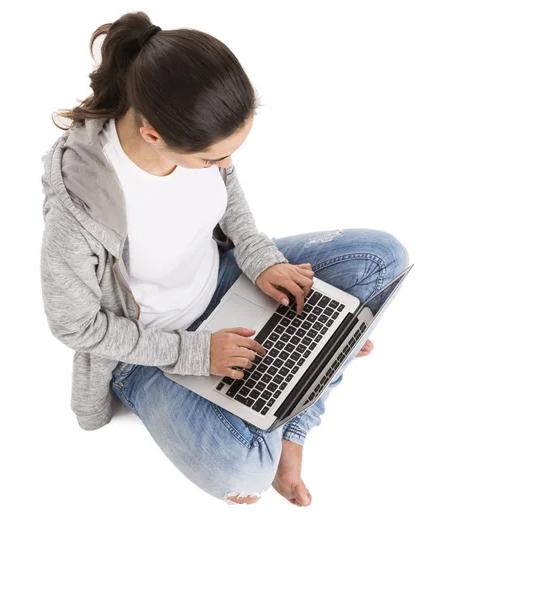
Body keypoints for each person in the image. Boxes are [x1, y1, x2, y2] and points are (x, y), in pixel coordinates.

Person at [40, 11, 410, 507]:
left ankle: (298, 405)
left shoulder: (193, 136)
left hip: (225, 281)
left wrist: (261, 261)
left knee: (382, 258)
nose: (226, 166)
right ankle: (313, 365)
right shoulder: (81, 203)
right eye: (213, 160)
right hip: (151, 351)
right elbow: (74, 326)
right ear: (153, 135)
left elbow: (230, 207)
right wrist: (197, 353)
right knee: (245, 471)